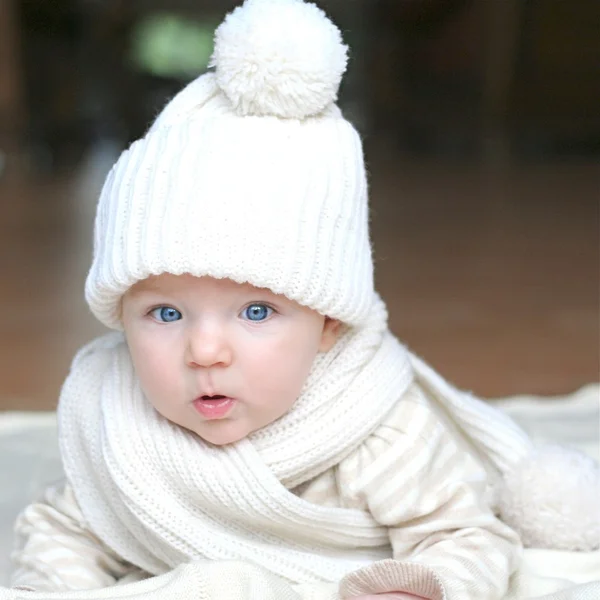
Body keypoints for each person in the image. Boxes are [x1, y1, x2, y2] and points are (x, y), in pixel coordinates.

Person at [9, 1, 598, 599]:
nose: (205, 350)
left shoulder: (376, 429)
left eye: (256, 312)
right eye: (165, 313)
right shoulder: (118, 424)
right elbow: (63, 531)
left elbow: (465, 535)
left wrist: (423, 587)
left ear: (328, 325)